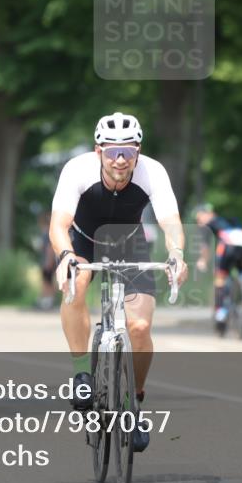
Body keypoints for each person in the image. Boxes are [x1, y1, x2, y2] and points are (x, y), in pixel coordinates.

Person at [49, 112, 188, 453]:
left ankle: (133, 400)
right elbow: (58, 224)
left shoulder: (153, 172)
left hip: (129, 241)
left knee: (139, 327)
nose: (121, 159)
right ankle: (82, 373)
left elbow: (170, 221)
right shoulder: (77, 169)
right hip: (83, 240)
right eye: (112, 152)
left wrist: (177, 254)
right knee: (77, 281)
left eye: (128, 150)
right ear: (99, 152)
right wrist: (66, 256)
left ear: (138, 151)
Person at [193, 203, 242, 328]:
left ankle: (221, 312)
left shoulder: (208, 225)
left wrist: (203, 261)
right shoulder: (229, 220)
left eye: (199, 218)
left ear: (206, 214)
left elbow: (205, 247)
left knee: (219, 277)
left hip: (228, 245)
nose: (198, 222)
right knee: (240, 268)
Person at [35, 213, 57, 311]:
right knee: (48, 281)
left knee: (47, 281)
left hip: (47, 261)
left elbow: (49, 248)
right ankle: (48, 300)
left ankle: (48, 300)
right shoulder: (49, 232)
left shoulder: (47, 233)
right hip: (48, 261)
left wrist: (48, 261)